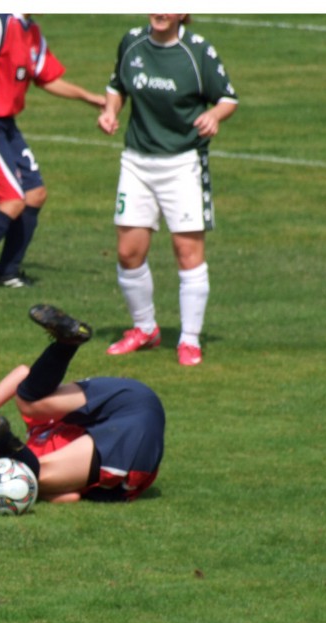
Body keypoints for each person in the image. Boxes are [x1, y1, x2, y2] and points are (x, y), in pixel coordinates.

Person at [97, 14, 238, 366]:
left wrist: (215, 116)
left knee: (186, 251)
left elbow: (227, 98)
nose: (160, 11)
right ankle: (144, 329)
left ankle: (189, 339)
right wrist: (110, 112)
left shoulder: (198, 52)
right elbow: (117, 87)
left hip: (183, 165)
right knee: (129, 252)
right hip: (136, 161)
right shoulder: (132, 42)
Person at [0, 14, 106, 294]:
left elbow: (47, 78)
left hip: (5, 124)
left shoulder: (32, 33)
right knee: (12, 200)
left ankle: (7, 272)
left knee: (35, 194)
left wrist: (91, 98)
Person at [0, 304, 164, 503]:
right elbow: (70, 496)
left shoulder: (37, 431)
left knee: (28, 402)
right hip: (131, 426)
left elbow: (22, 375)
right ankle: (66, 344)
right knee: (32, 471)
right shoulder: (34, 466)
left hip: (124, 403)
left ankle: (66, 343)